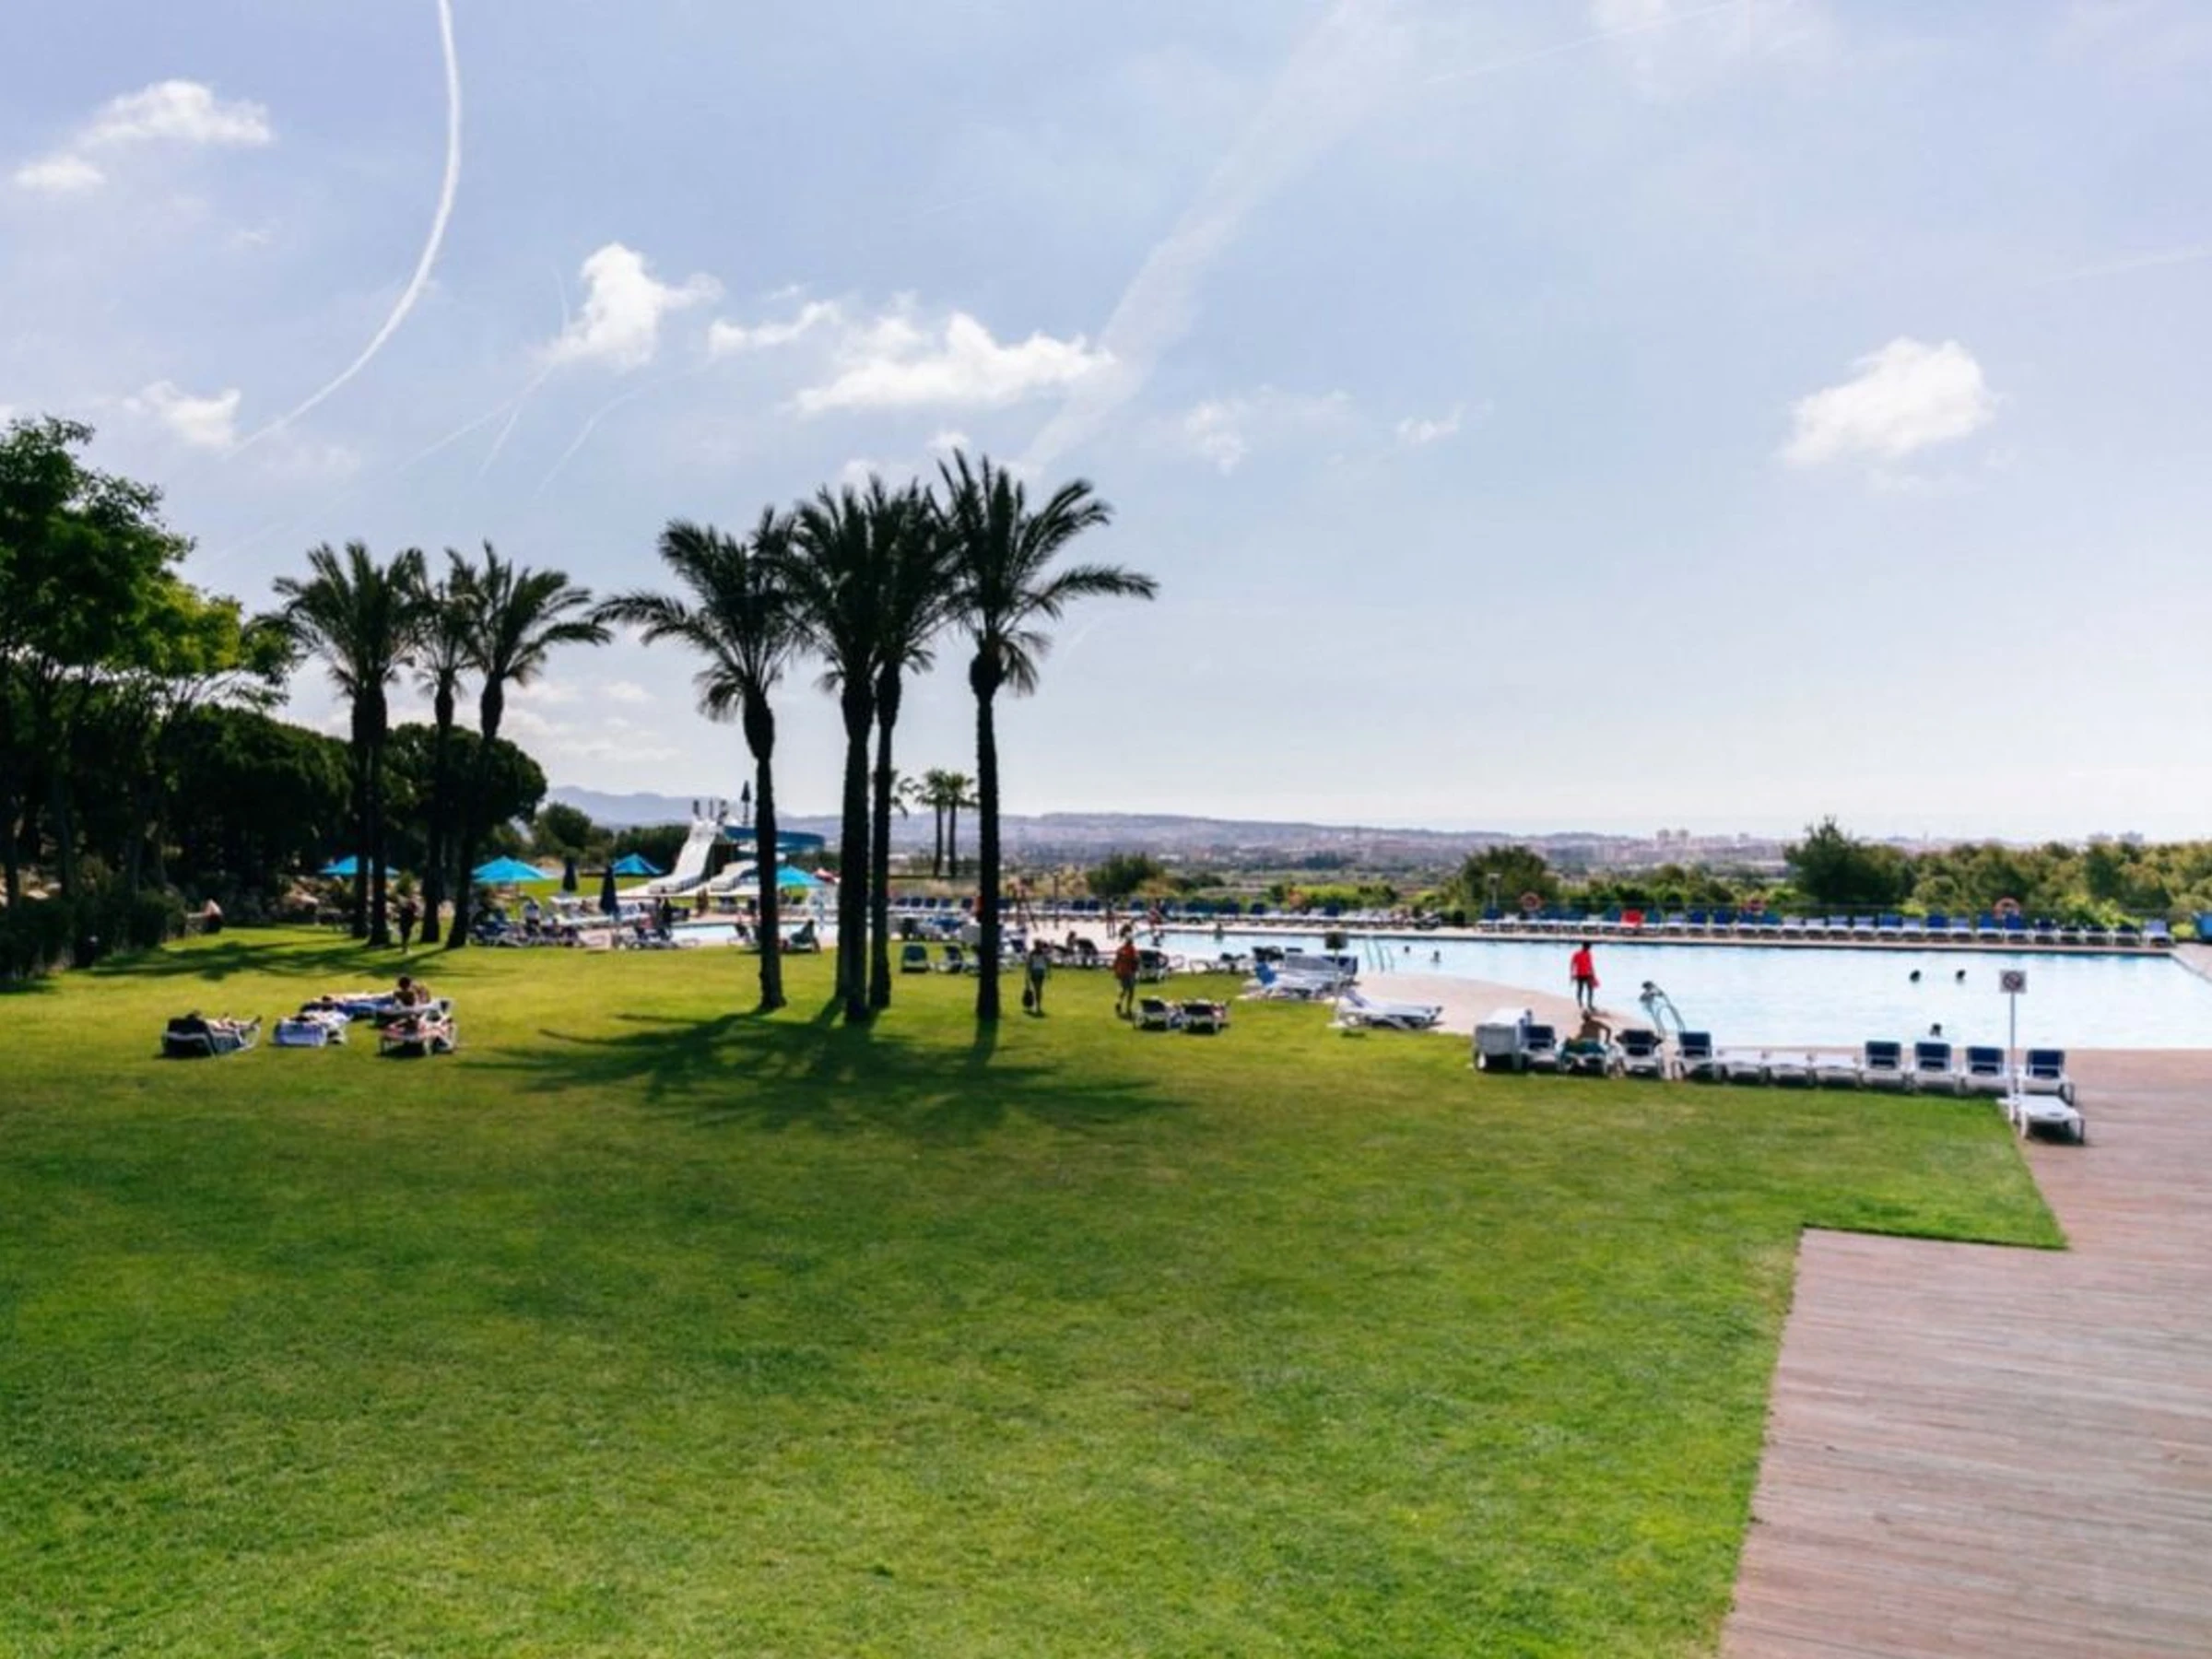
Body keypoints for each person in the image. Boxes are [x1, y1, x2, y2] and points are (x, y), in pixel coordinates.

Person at [1112, 932, 1140, 1019]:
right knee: (1131, 991)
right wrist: (1136, 969)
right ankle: (1128, 1009)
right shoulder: (1132, 949)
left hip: (1121, 972)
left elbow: (1116, 961)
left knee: (1123, 990)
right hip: (1128, 972)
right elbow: (1136, 960)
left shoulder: (1121, 949)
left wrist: (1115, 971)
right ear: (1131, 940)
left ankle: (1118, 1003)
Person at [1569, 940, 1598, 1013]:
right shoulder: (1577, 954)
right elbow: (1572, 964)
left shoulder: (1588, 954)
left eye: (1589, 947)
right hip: (1579, 975)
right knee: (1580, 989)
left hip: (1588, 974)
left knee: (1590, 989)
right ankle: (1580, 1004)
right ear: (1585, 946)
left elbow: (1590, 965)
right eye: (1589, 947)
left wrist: (1593, 975)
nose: (1589, 948)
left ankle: (1589, 1004)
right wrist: (1572, 975)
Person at [1025, 938, 1052, 1015]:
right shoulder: (1039, 953)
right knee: (1038, 989)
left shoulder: (1033, 953)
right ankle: (1037, 1006)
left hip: (1038, 972)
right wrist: (1049, 972)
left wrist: (1048, 972)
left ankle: (1037, 1005)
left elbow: (1029, 964)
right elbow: (1047, 962)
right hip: (1037, 972)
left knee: (1037, 989)